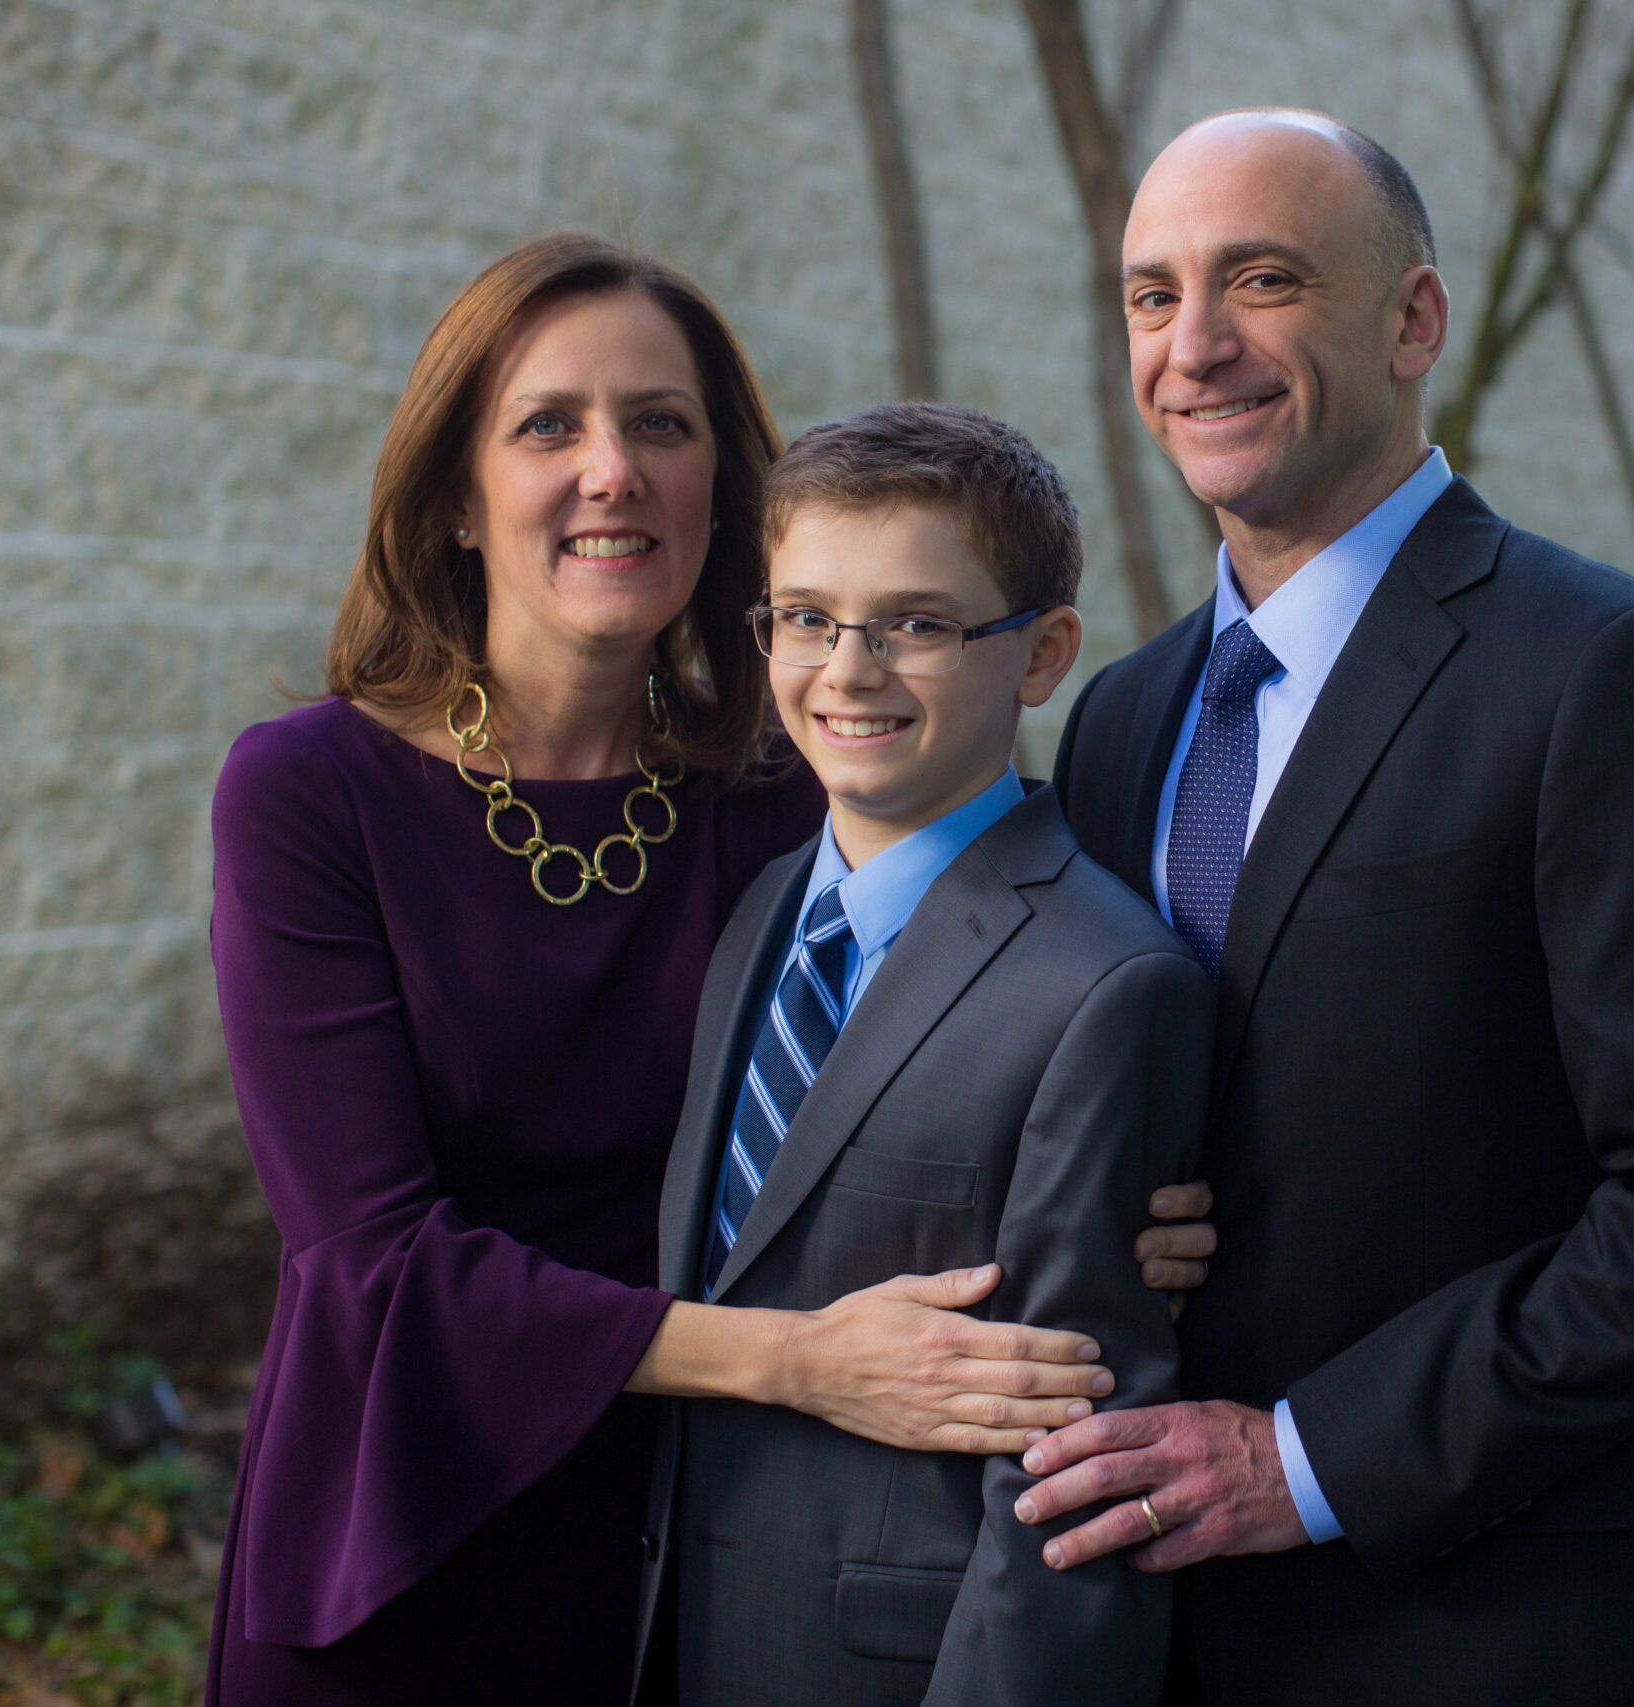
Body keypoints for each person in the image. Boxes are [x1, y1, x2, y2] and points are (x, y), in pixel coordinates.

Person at [204, 235, 1201, 1705]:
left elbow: (918, 1131)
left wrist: (1103, 1214)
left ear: (723, 490)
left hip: (693, 1564)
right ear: (458, 501)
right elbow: (374, 1264)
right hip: (407, 1544)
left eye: (660, 424)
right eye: (549, 425)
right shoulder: (310, 796)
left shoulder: (786, 806)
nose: (613, 470)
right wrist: (793, 1359)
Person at [1014, 111, 1634, 1705]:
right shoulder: (1123, 716)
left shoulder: (1606, 675)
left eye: (1260, 280)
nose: (1194, 346)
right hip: (1155, 1633)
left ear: (1414, 321)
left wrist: (1311, 1460)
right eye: (1149, 294)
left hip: (1490, 1622)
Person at [634, 402, 1207, 1707]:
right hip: (688, 1633)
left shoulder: (1107, 985)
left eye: (919, 623)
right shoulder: (758, 912)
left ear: (1044, 653)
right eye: (806, 617)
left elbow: (1076, 1479)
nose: (849, 669)